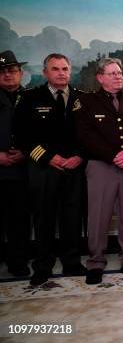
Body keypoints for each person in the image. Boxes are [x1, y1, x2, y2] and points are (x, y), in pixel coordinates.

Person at [14, 53, 86, 286]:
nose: (61, 73)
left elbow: (90, 135)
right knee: (44, 218)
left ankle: (72, 261)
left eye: (65, 68)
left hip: (74, 167)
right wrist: (47, 157)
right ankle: (42, 265)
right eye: (55, 69)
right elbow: (22, 136)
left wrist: (80, 156)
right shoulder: (29, 98)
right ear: (45, 72)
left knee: (72, 217)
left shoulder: (82, 99)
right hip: (43, 168)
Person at [74, 58, 123, 284]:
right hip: (101, 166)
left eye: (120, 73)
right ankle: (95, 262)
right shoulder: (86, 102)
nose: (118, 77)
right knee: (98, 216)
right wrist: (113, 155)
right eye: (112, 73)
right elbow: (84, 135)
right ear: (100, 77)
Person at [0, 50, 30, 277]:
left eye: (11, 70)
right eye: (2, 71)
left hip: (22, 169)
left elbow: (41, 134)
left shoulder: (30, 98)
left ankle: (17, 262)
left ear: (20, 73)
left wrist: (25, 152)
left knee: (19, 219)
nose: (8, 75)